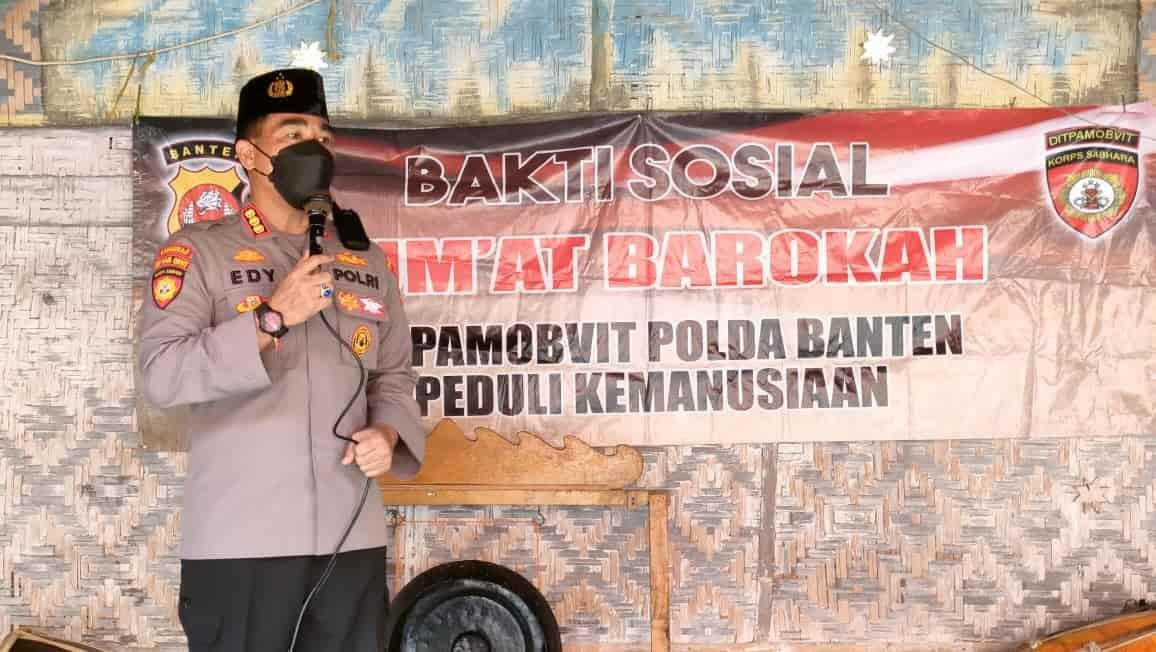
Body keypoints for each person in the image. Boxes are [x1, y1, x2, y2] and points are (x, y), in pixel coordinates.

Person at [136, 67, 426, 651]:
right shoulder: (199, 252)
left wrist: (388, 432)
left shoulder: (365, 260)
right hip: (242, 543)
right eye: (292, 135)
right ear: (249, 154)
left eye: (322, 136)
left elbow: (394, 374)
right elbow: (161, 376)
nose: (312, 148)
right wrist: (272, 318)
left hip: (350, 540)